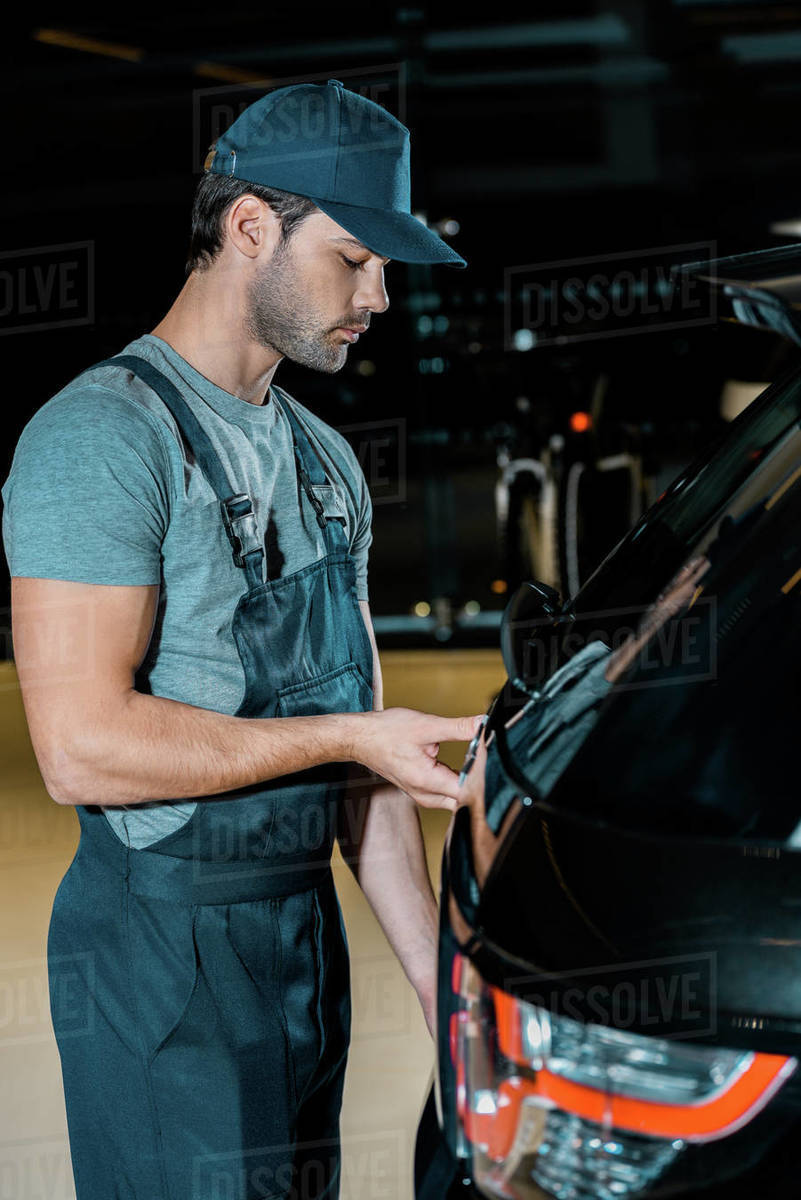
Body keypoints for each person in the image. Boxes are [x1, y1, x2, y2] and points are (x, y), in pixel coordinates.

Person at [1, 79, 479, 1200]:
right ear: (251, 226)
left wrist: (431, 984)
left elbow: (358, 754)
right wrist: (349, 735)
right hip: (167, 950)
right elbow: (79, 747)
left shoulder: (326, 461)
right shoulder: (102, 437)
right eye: (356, 258)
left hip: (299, 940)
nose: (380, 296)